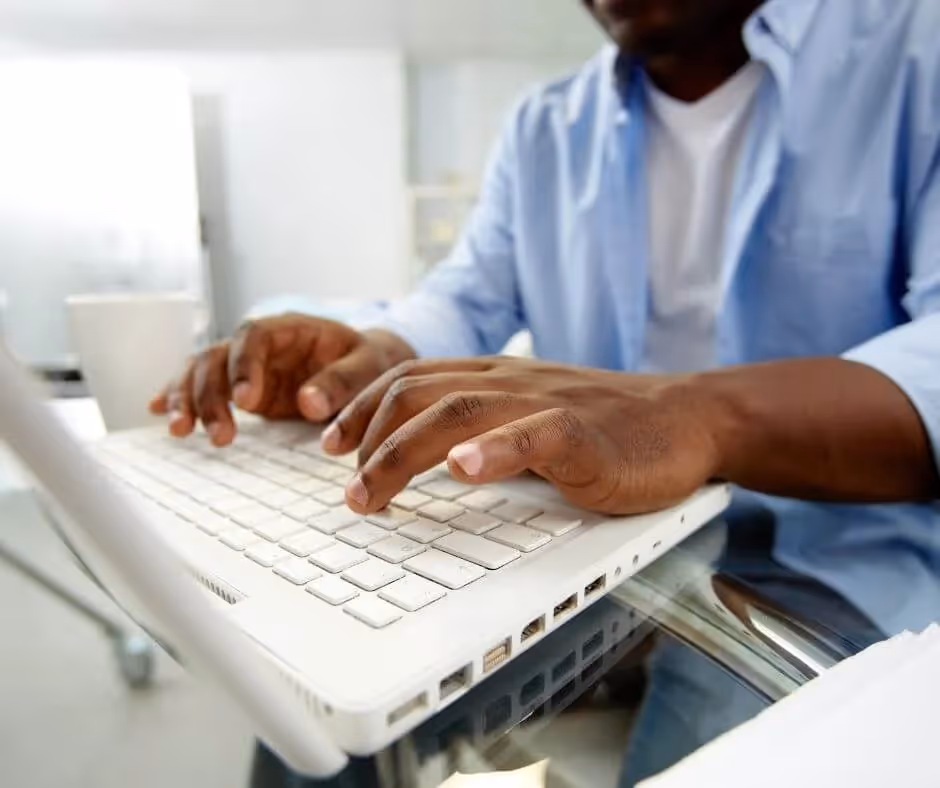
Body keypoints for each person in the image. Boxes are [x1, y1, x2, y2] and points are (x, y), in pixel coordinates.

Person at [152, 0, 940, 783]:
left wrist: (694, 415)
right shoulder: (544, 129)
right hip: (585, 533)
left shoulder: (917, 53)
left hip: (840, 549)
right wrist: (378, 353)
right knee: (323, 721)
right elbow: (465, 298)